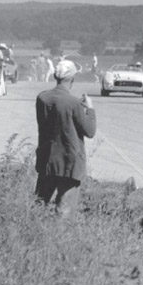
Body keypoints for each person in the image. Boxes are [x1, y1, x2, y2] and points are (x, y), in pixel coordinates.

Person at [34, 59, 97, 217]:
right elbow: (90, 131)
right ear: (72, 79)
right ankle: (59, 239)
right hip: (69, 162)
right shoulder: (73, 103)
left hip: (47, 160)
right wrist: (90, 109)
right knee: (64, 211)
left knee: (38, 204)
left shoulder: (42, 98)